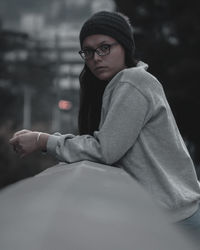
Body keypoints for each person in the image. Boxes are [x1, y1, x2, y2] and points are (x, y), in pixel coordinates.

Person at [9, 11, 200, 234]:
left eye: (104, 47)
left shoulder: (133, 81)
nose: (96, 58)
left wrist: (43, 141)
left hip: (178, 219)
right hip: (171, 214)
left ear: (125, 46)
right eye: (88, 52)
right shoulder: (119, 85)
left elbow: (105, 150)